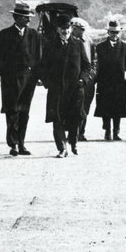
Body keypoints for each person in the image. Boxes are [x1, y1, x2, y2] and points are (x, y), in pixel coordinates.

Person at [0, 0, 42, 156]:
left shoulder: (34, 35)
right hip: (11, 81)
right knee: (12, 112)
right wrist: (6, 74)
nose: (28, 19)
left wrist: (36, 76)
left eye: (29, 16)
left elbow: (39, 58)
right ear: (17, 18)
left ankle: (22, 143)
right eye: (25, 17)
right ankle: (13, 144)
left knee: (24, 112)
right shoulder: (4, 35)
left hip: (28, 81)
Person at [39, 12, 93, 157]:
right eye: (62, 28)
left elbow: (87, 66)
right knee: (57, 119)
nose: (65, 31)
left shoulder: (78, 44)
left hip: (75, 89)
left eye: (68, 28)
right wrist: (47, 82)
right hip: (57, 89)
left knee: (76, 117)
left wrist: (82, 80)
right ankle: (62, 148)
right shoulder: (50, 45)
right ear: (57, 29)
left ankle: (74, 141)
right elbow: (43, 66)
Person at [94, 19, 126, 141]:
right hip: (104, 82)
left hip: (119, 83)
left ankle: (116, 131)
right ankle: (107, 130)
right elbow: (97, 65)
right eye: (112, 32)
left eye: (116, 32)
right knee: (105, 108)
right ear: (108, 32)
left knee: (118, 108)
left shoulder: (125, 47)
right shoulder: (100, 47)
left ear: (119, 33)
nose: (114, 35)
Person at [70, 17, 97, 141]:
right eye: (79, 29)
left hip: (87, 80)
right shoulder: (68, 41)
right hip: (72, 80)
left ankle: (81, 131)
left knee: (85, 106)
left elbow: (94, 61)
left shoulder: (89, 42)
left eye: (83, 30)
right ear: (73, 29)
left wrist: (90, 75)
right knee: (72, 106)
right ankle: (72, 131)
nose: (82, 32)